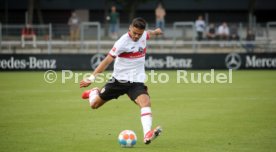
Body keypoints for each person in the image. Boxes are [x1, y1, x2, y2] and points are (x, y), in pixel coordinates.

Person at [80, 17, 163, 145]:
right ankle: (93, 92)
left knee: (145, 102)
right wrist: (91, 78)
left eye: (139, 34)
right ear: (130, 28)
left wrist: (157, 31)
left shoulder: (143, 36)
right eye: (134, 33)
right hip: (118, 82)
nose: (136, 36)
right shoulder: (122, 42)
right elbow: (107, 61)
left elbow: (149, 33)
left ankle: (147, 134)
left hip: (136, 82)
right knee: (94, 105)